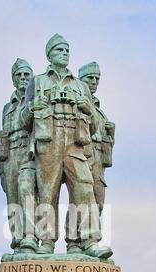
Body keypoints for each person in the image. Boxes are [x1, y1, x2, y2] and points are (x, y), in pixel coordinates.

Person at [21, 34, 112, 259]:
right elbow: (23, 121)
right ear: (49, 55)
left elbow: (96, 127)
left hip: (75, 144)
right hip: (48, 143)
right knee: (47, 192)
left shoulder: (80, 86)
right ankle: (46, 241)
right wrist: (33, 106)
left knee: (85, 188)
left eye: (67, 50)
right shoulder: (38, 81)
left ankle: (90, 241)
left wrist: (88, 109)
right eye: (59, 50)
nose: (64, 53)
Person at [0, 58, 38, 253]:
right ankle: (18, 241)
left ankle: (30, 237)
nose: (22, 78)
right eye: (19, 75)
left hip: (28, 152)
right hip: (9, 157)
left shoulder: (36, 99)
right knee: (12, 198)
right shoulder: (7, 107)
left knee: (26, 190)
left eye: (26, 74)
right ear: (13, 80)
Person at [78, 62, 115, 216]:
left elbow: (109, 143)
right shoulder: (78, 103)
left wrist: (111, 133)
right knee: (81, 199)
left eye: (97, 79)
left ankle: (91, 235)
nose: (94, 82)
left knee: (99, 201)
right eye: (90, 78)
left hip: (99, 160)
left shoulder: (100, 112)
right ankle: (74, 238)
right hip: (83, 154)